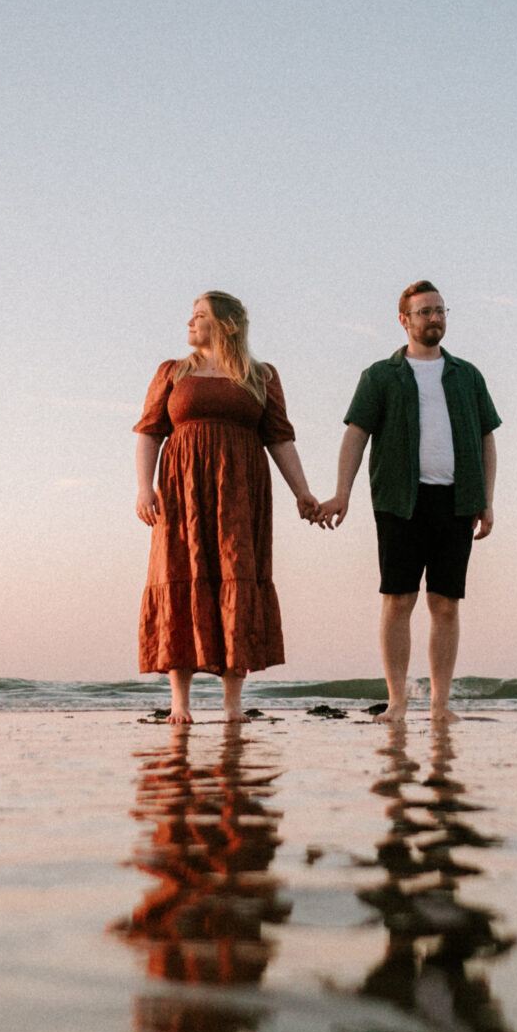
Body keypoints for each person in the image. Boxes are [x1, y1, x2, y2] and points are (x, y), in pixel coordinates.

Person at [134, 291, 322, 724]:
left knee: (237, 574)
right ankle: (179, 702)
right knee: (179, 571)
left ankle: (232, 701)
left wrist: (303, 492)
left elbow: (279, 438)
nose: (189, 322)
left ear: (226, 325)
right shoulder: (173, 372)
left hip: (240, 491)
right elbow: (149, 433)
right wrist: (145, 489)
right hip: (182, 492)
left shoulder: (261, 375)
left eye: (199, 316)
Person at [319, 281, 501, 720]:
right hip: (399, 500)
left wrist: (487, 500)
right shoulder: (381, 375)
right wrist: (341, 493)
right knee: (398, 600)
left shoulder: (468, 375)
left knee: (445, 603)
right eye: (424, 311)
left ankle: (440, 706)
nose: (434, 318)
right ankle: (398, 702)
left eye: (440, 310)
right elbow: (355, 436)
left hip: (456, 501)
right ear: (404, 320)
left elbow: (486, 439)